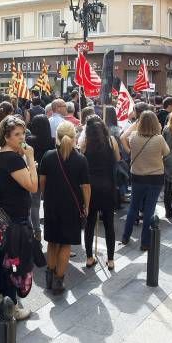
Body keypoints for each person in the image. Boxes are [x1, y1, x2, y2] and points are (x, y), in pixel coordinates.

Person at [0, 115, 37, 320]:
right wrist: (30, 159)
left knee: (5, 258)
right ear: (6, 136)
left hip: (5, 214)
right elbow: (33, 186)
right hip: (16, 219)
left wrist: (3, 189)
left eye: (23, 133)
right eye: (17, 134)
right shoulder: (14, 158)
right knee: (13, 263)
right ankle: (11, 305)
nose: (22, 138)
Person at [38, 121, 89, 294]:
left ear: (57, 137)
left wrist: (47, 197)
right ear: (74, 137)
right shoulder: (81, 159)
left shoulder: (48, 156)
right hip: (72, 207)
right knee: (66, 244)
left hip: (52, 204)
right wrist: (86, 206)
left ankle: (49, 278)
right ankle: (59, 281)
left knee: (52, 242)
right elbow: (86, 187)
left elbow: (42, 181)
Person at [121, 111, 170, 250]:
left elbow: (124, 137)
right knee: (149, 210)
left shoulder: (133, 137)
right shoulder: (159, 139)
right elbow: (167, 152)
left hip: (137, 176)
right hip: (155, 178)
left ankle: (125, 236)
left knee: (133, 207)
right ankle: (145, 242)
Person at [82, 116, 120, 270]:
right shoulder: (111, 141)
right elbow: (117, 159)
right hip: (108, 186)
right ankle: (110, 259)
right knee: (109, 224)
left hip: (90, 189)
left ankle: (89, 257)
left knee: (89, 224)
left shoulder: (84, 143)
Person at [26, 114, 54, 237]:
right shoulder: (52, 141)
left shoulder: (29, 140)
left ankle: (36, 230)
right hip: (49, 176)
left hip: (34, 174)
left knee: (35, 204)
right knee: (50, 204)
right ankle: (52, 230)